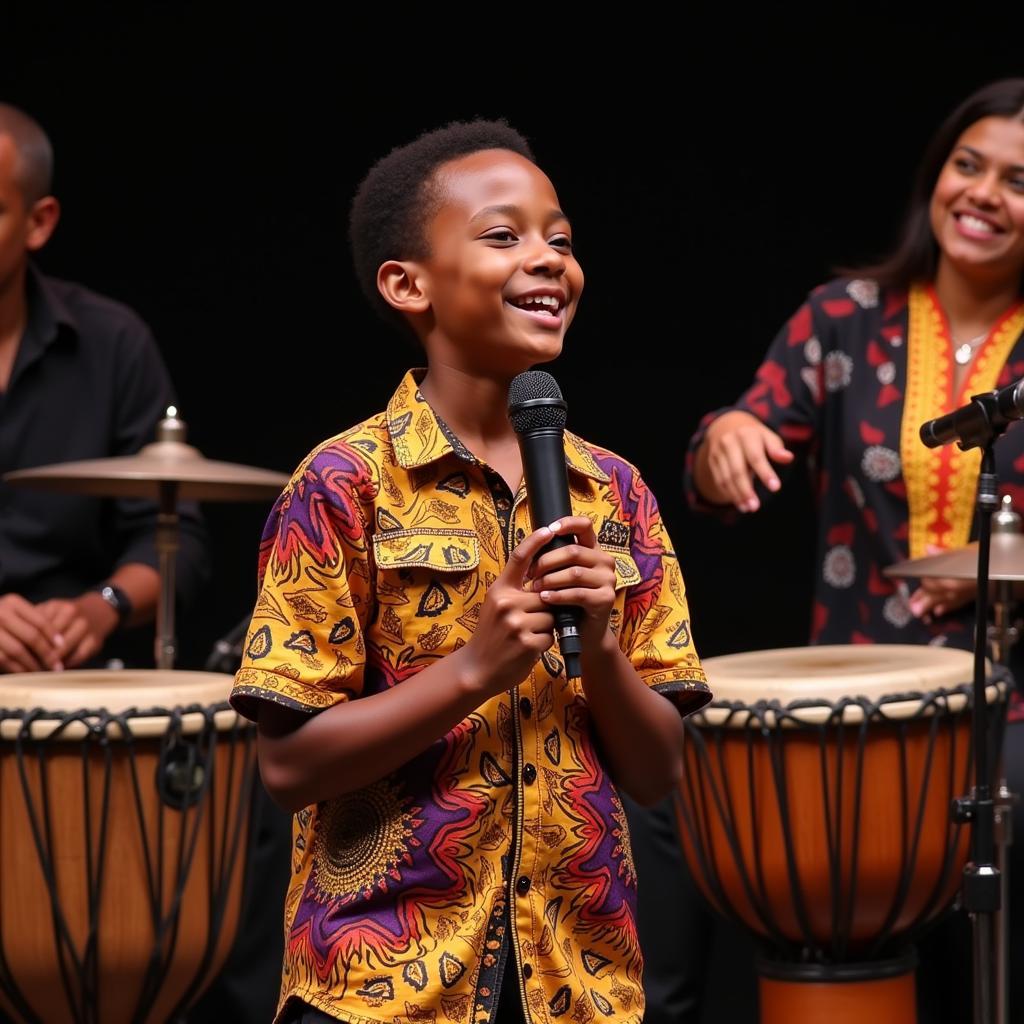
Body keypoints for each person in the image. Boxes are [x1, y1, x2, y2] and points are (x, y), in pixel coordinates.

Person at [229, 119, 711, 1024]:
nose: (547, 260)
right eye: (504, 236)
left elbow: (658, 772)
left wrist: (600, 652)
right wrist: (473, 672)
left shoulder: (618, 492)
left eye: (561, 240)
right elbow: (288, 768)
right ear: (409, 284)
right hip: (382, 988)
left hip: (578, 984)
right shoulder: (344, 482)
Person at [685, 78, 1024, 1023]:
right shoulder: (846, 317)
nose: (984, 193)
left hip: (1017, 699)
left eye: (1019, 179)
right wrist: (725, 443)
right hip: (864, 694)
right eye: (968, 165)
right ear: (936, 176)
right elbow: (734, 449)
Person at [0, 102, 207, 670]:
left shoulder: (111, 341)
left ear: (38, 222)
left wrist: (101, 606)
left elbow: (173, 535)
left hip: (61, 675)